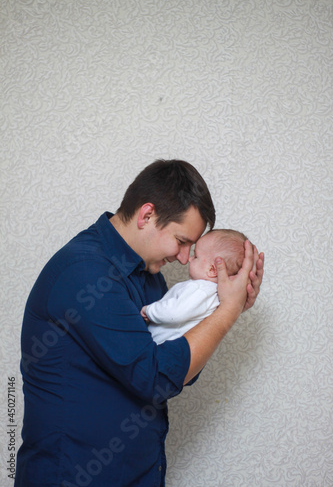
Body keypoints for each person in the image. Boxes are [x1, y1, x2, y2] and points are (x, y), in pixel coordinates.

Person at [15, 159, 264, 487]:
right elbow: (156, 377)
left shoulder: (149, 276)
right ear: (147, 215)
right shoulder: (86, 271)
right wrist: (226, 313)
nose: (184, 257)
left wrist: (221, 304)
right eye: (182, 240)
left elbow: (179, 368)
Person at [141, 229, 247, 344]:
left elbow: (175, 313)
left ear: (212, 270)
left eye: (196, 256)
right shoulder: (217, 296)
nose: (189, 259)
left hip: (161, 346)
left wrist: (150, 310)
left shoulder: (199, 289)